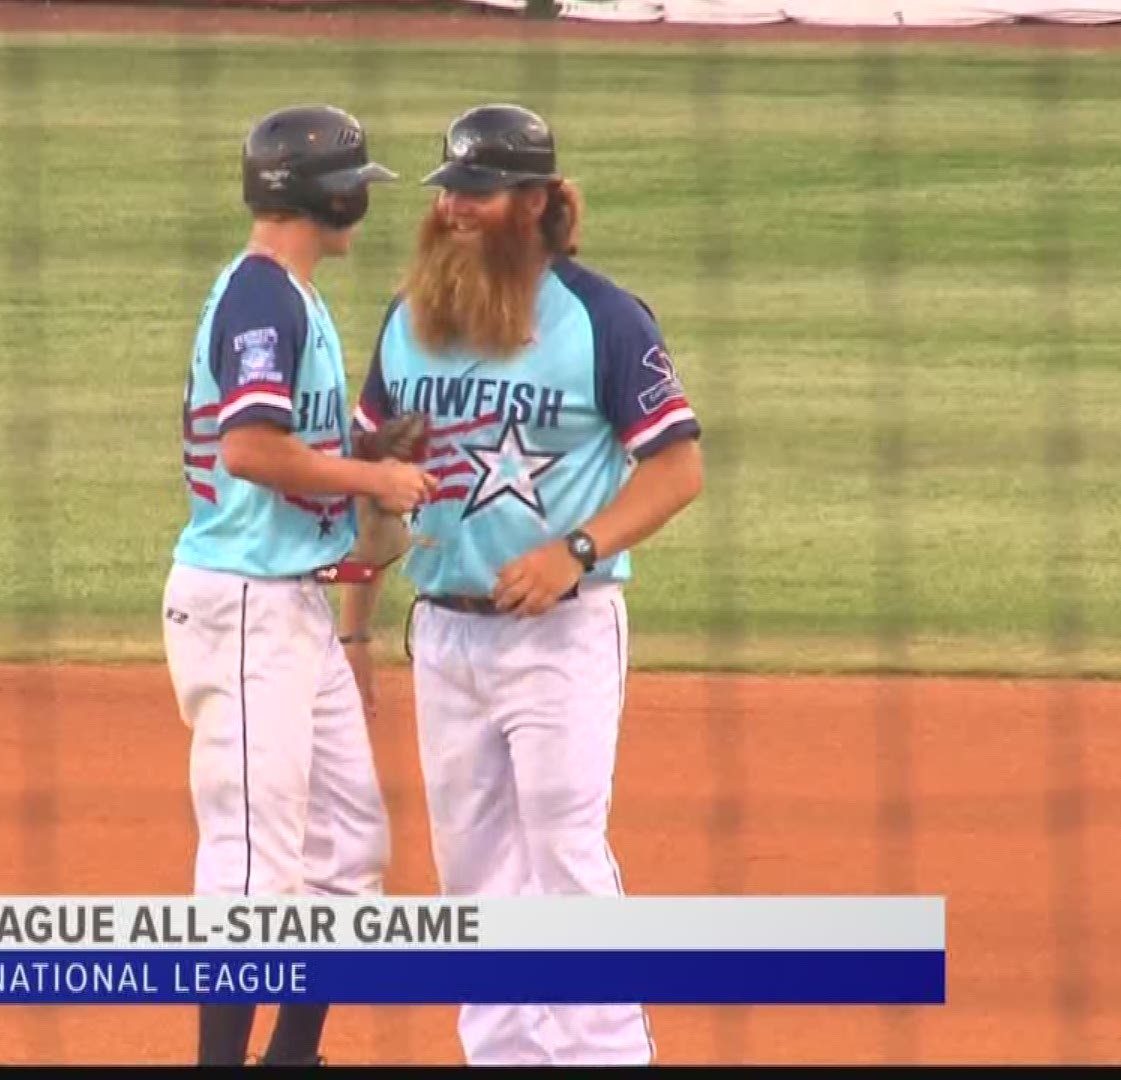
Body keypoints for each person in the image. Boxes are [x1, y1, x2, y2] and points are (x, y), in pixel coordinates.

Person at [341, 103, 704, 1066]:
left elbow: (678, 468)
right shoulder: (410, 319)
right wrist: (352, 626)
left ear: (537, 200)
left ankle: (606, 1054)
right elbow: (374, 472)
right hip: (446, 634)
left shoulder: (604, 318)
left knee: (564, 850)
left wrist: (574, 551)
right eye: (449, 191)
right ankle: (501, 1054)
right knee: (471, 870)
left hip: (563, 633)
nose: (455, 208)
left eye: (478, 190)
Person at [162, 103, 436, 1066]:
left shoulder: (299, 298)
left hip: (293, 610)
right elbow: (246, 450)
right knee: (251, 870)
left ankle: (291, 1057)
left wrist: (365, 449)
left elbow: (287, 441)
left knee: (349, 851)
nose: (363, 198)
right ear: (317, 196)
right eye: (355, 183)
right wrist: (373, 479)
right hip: (240, 608)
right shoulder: (261, 296)